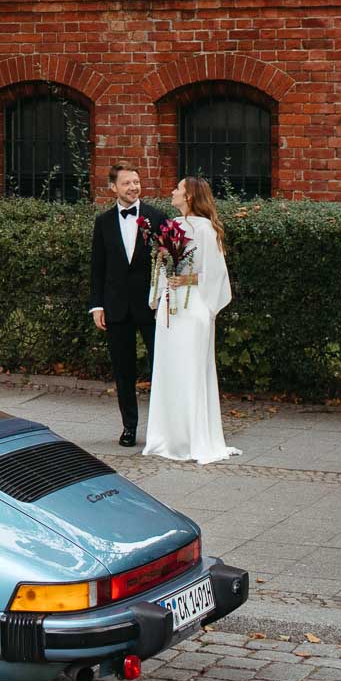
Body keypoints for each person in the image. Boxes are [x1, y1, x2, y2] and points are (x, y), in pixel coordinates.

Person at [142, 175, 240, 464]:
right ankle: (168, 436)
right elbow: (162, 262)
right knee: (169, 368)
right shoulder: (171, 226)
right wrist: (160, 279)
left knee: (191, 370)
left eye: (178, 189)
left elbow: (216, 274)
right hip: (171, 308)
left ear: (189, 196)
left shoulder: (207, 231)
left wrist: (186, 279)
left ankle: (193, 438)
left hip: (193, 306)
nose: (172, 191)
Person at [89, 162, 164, 447]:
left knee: (161, 366)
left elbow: (168, 262)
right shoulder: (103, 222)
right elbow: (98, 267)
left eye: (136, 182)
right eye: (126, 183)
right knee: (124, 371)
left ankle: (162, 428)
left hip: (151, 307)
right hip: (116, 307)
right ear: (113, 188)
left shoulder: (157, 218)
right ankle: (129, 427)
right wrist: (97, 305)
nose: (133, 187)